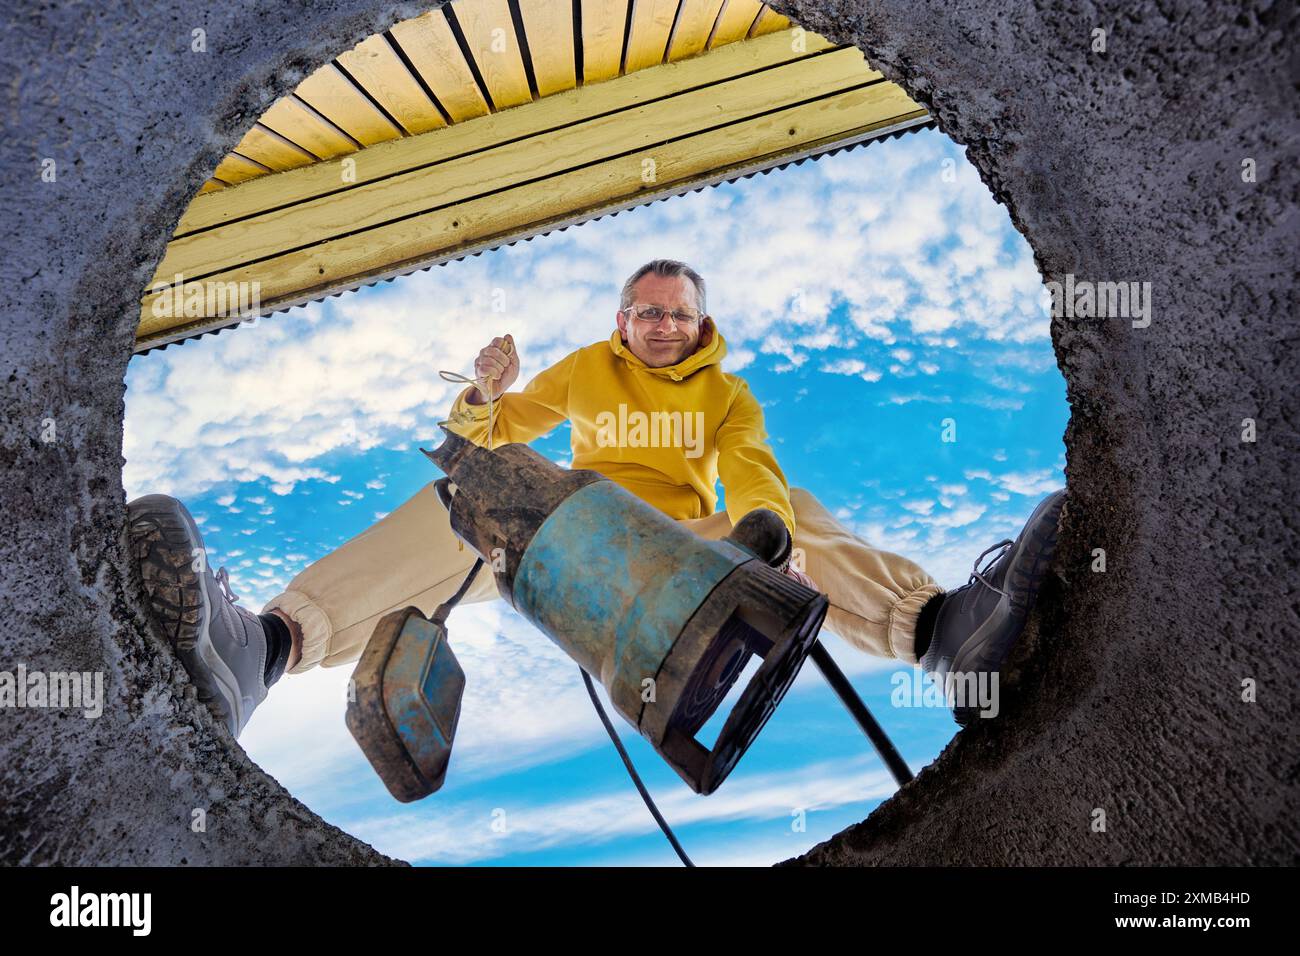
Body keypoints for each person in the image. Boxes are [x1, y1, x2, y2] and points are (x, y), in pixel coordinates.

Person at [127, 258, 1065, 739]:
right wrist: (488, 396)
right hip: (566, 528)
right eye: (647, 311)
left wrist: (764, 524)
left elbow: (748, 458)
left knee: (803, 507)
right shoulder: (584, 371)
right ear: (623, 321)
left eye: (678, 313)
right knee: (460, 494)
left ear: (700, 325)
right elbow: (493, 435)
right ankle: (261, 650)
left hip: (690, 539)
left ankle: (944, 633)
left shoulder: (723, 395)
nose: (662, 325)